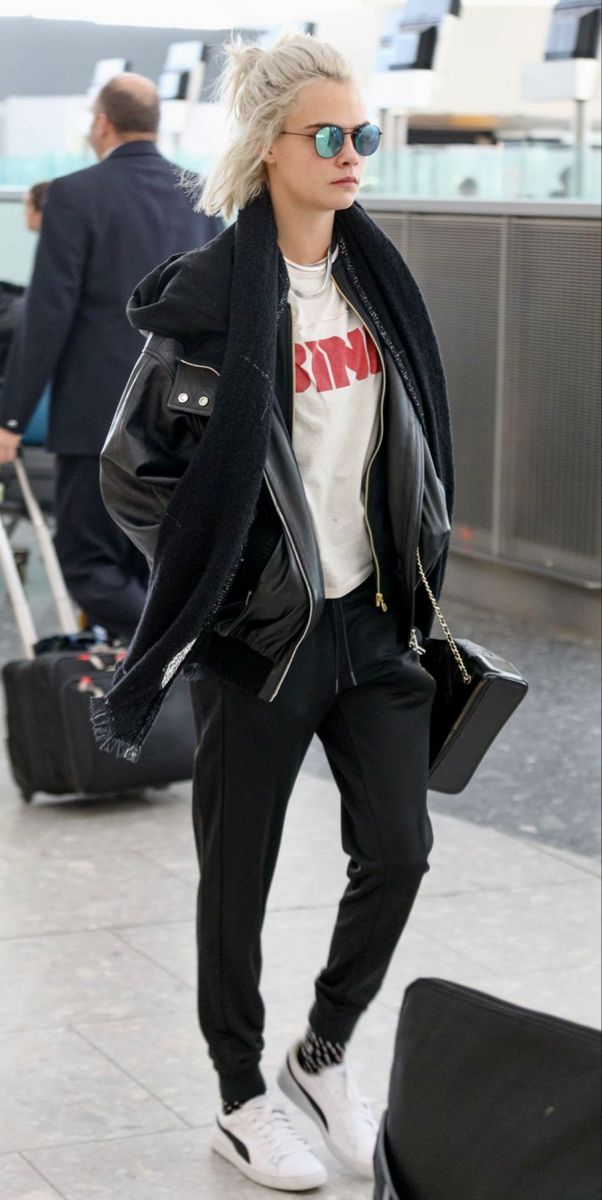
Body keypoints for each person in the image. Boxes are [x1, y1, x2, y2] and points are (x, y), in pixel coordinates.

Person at [92, 35, 453, 1192]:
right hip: (262, 639)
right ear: (269, 149)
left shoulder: (375, 283)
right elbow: (128, 472)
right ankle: (240, 1094)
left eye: (366, 134)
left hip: (372, 625)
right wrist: (236, 590)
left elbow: (409, 445)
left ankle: (321, 1052)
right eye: (329, 137)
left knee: (397, 850)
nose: (353, 156)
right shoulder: (211, 304)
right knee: (235, 879)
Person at [0, 74, 223, 641]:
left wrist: (10, 419)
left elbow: (47, 315)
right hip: (181, 420)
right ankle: (152, 700)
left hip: (96, 423)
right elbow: (219, 311)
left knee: (88, 564)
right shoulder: (200, 193)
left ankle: (180, 649)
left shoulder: (75, 194)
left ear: (102, 123)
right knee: (147, 561)